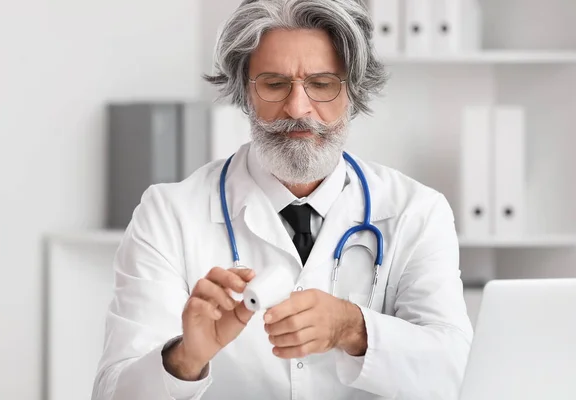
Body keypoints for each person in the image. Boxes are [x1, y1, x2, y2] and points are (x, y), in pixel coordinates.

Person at [91, 0, 473, 399]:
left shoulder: (417, 212)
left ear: (353, 92)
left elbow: (456, 375)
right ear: (245, 93)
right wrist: (185, 358)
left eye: (322, 84)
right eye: (274, 84)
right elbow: (112, 393)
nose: (297, 107)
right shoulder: (169, 215)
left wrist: (353, 328)